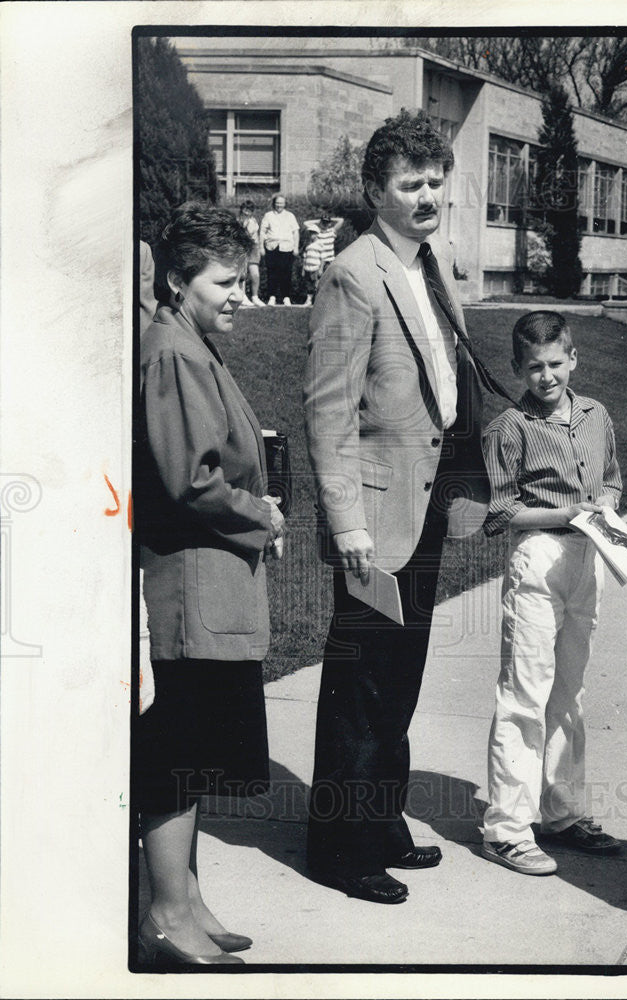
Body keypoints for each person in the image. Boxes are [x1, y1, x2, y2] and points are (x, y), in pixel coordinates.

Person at [303, 109, 490, 904]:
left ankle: (380, 821)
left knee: (399, 675)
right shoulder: (353, 272)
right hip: (373, 518)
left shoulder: (429, 261)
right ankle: (339, 849)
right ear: (375, 192)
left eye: (435, 181)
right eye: (409, 184)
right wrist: (345, 523)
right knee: (359, 685)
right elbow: (327, 409)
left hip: (426, 498)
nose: (426, 196)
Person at [133, 202, 285, 965]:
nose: (240, 294)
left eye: (244, 278)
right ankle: (164, 914)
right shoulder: (172, 353)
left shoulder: (188, 343)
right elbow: (189, 481)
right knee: (175, 763)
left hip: (210, 587)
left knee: (190, 763)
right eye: (226, 281)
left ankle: (187, 901)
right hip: (188, 595)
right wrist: (260, 512)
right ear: (176, 280)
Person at [480, 311, 622, 876]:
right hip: (538, 556)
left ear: (574, 358)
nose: (546, 376)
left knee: (569, 690)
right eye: (534, 367)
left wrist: (604, 506)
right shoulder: (509, 427)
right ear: (518, 367)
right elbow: (499, 511)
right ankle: (507, 829)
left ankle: (561, 813)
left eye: (556, 363)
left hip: (590, 557)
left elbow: (612, 475)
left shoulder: (596, 414)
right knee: (525, 695)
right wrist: (565, 512)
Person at [261, 194, 299, 305]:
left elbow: (295, 232)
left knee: (286, 272)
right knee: (272, 272)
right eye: (277, 203)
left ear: (285, 204)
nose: (279, 205)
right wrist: (261, 247)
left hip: (287, 248)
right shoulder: (268, 215)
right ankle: (271, 297)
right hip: (271, 247)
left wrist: (296, 247)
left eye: (281, 203)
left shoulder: (290, 216)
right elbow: (262, 232)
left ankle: (286, 297)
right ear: (274, 203)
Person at [238, 200, 265, 307]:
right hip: (243, 247)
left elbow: (255, 235)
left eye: (249, 209)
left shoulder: (253, 220)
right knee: (242, 273)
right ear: (242, 209)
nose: (247, 211)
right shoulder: (239, 220)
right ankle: (243, 296)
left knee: (255, 274)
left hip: (254, 248)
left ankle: (255, 297)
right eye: (245, 209)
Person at [300, 228, 322, 307]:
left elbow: (323, 258)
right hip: (307, 268)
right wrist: (303, 269)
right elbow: (305, 258)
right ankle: (308, 301)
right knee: (309, 285)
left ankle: (318, 302)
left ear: (317, 234)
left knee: (316, 285)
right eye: (310, 233)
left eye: (313, 233)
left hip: (315, 268)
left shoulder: (320, 244)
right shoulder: (308, 244)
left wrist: (320, 269)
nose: (311, 235)